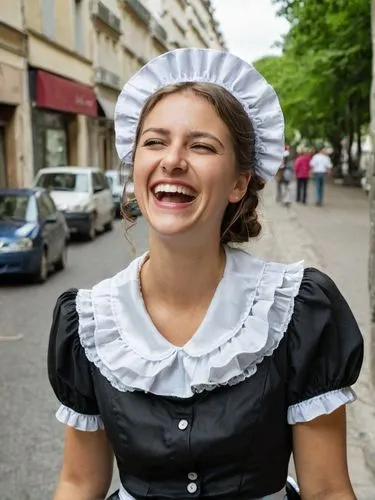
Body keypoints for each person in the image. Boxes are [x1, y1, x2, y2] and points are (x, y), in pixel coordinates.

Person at [47, 48, 363, 500]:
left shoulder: (297, 310)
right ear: (135, 166)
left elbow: (328, 489)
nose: (172, 160)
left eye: (201, 145)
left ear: (239, 183)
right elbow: (78, 483)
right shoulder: (89, 323)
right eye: (154, 142)